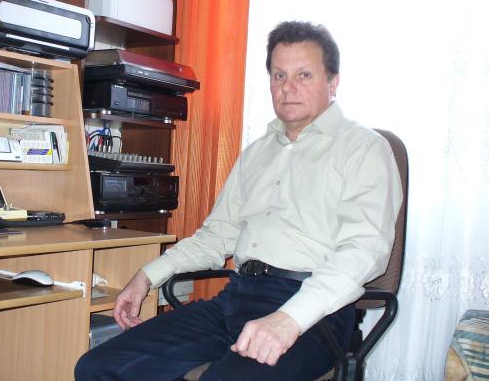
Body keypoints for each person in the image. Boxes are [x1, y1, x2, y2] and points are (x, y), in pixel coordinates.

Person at [75, 21, 403, 381]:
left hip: (315, 313)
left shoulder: (364, 149)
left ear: (333, 82)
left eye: (304, 75)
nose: (288, 87)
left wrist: (289, 319)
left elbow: (363, 251)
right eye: (279, 75)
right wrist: (145, 277)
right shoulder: (257, 153)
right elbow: (216, 237)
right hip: (237, 297)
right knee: (97, 368)